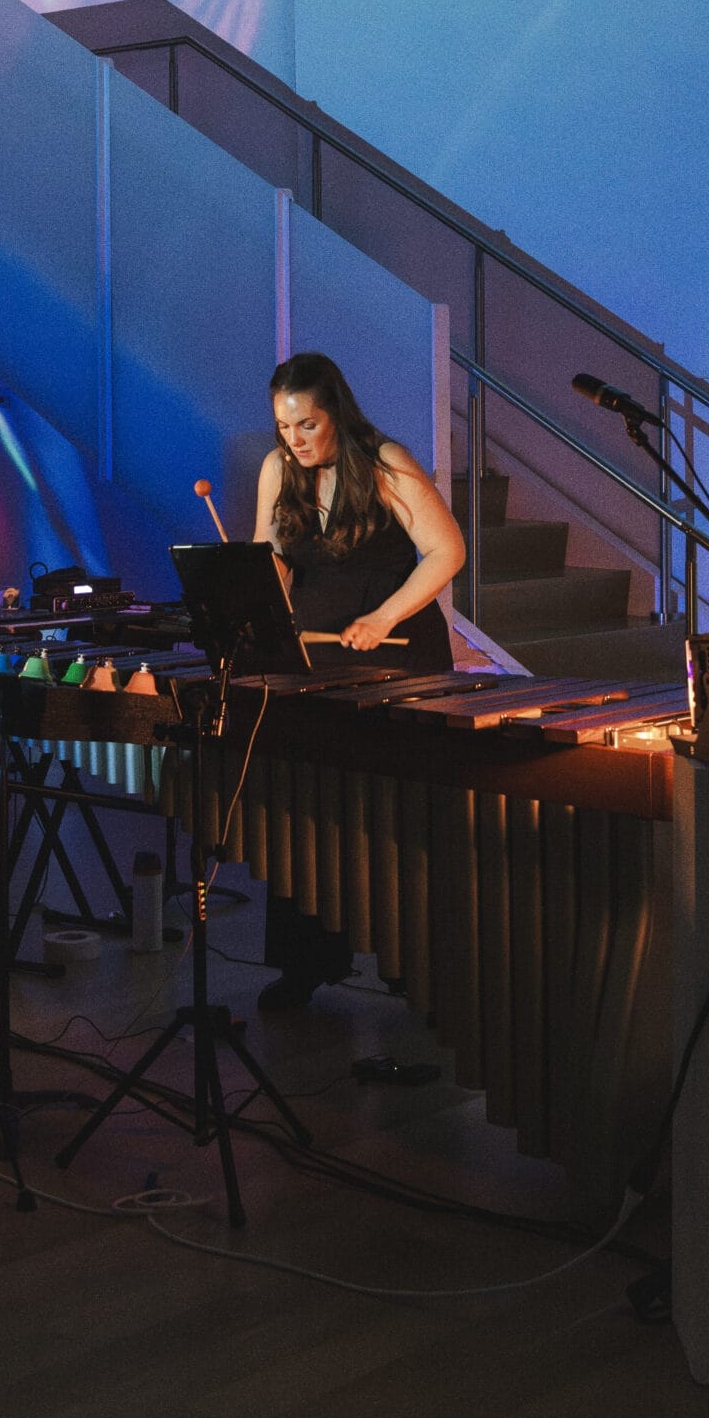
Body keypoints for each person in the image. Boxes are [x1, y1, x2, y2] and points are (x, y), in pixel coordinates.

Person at [252, 351, 466, 1008]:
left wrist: (382, 616)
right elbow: (271, 559)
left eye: (307, 426)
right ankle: (305, 963)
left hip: (394, 657)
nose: (295, 440)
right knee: (303, 811)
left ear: (336, 414)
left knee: (393, 819)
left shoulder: (383, 462)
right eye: (285, 427)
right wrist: (264, 613)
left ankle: (414, 969)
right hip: (316, 665)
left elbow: (446, 549)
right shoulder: (277, 468)